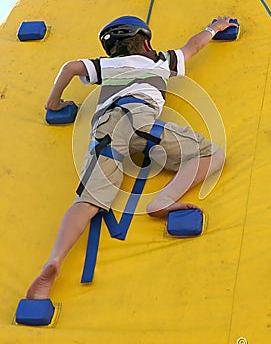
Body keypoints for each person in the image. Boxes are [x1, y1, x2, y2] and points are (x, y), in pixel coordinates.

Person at [26, 15, 237, 300]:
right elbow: (193, 47)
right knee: (212, 154)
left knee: (87, 201)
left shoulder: (107, 65)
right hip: (141, 121)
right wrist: (214, 28)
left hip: (106, 130)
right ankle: (163, 199)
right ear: (146, 42)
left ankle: (54, 260)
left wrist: (53, 103)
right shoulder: (160, 61)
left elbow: (70, 67)